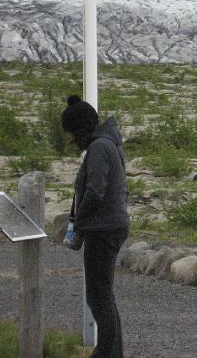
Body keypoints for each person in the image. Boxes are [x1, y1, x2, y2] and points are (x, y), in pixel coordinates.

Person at [61, 94, 130, 358]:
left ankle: (105, 353)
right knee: (104, 297)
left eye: (71, 134)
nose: (71, 140)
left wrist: (79, 221)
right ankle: (112, 352)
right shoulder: (109, 143)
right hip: (110, 226)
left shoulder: (100, 147)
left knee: (99, 298)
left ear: (80, 129)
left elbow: (95, 191)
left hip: (103, 229)